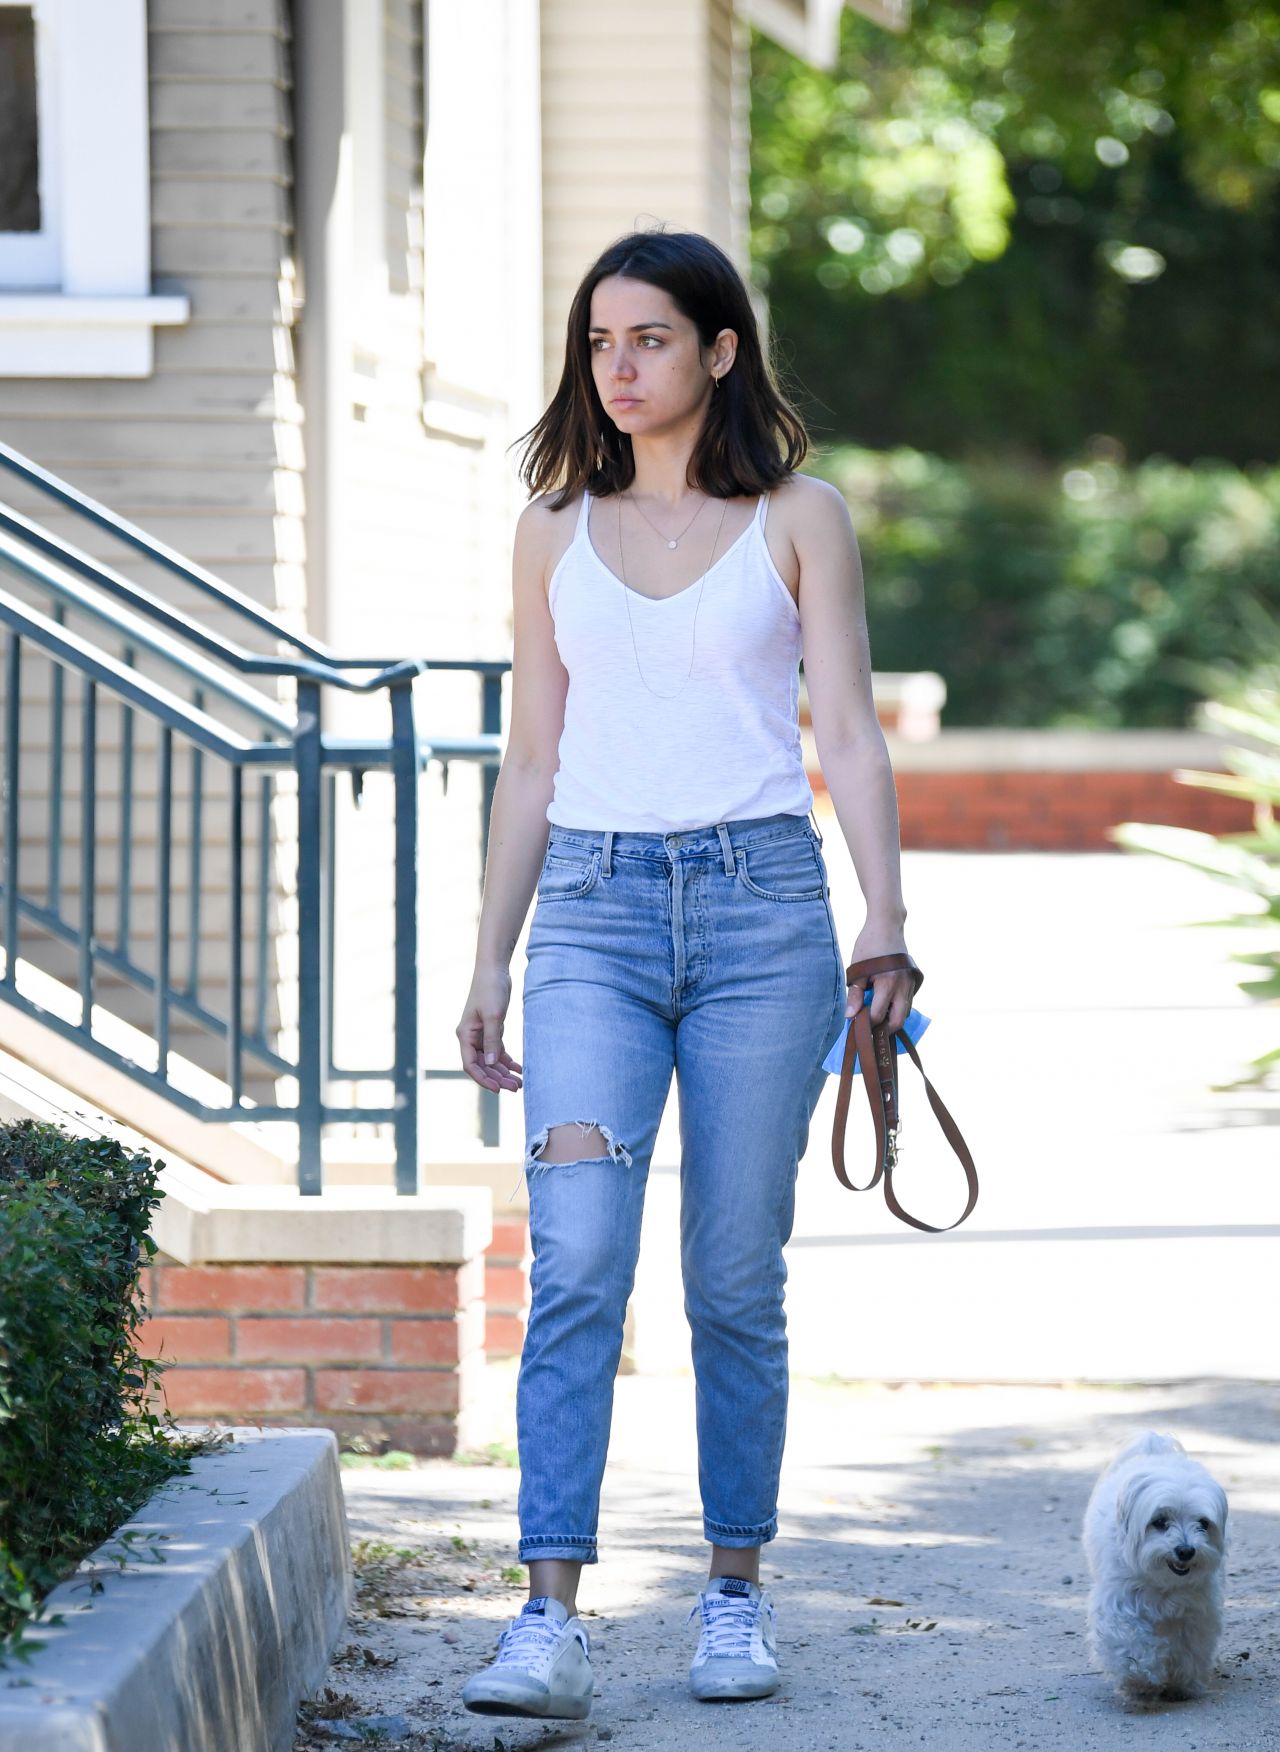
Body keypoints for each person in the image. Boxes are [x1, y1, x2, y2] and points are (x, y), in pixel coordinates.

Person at [455, 228, 915, 1721]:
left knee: (731, 1277)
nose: (618, 368)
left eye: (648, 339)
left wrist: (882, 918)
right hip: (587, 917)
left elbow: (845, 728)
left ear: (721, 350)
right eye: (599, 343)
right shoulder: (550, 530)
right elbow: (532, 760)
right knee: (577, 1264)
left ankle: (732, 1594)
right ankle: (547, 1614)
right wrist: (490, 959)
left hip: (762, 919)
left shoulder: (802, 516)